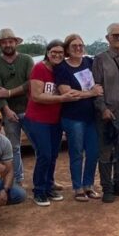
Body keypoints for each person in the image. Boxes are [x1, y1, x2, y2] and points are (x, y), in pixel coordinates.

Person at [22, 40, 80, 206]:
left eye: (61, 53)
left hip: (55, 120)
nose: (57, 55)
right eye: (53, 52)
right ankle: (39, 191)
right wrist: (62, 98)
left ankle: (48, 186)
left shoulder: (61, 69)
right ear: (47, 52)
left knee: (53, 154)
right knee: (45, 154)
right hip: (37, 120)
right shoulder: (40, 68)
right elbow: (36, 96)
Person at [55, 34, 104, 201]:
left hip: (91, 117)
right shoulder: (62, 68)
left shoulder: (89, 63)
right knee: (76, 153)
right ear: (68, 49)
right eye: (74, 45)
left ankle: (88, 185)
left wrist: (81, 94)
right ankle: (78, 188)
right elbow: (67, 94)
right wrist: (91, 93)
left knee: (93, 152)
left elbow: (97, 84)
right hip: (73, 117)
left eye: (80, 45)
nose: (78, 48)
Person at [93, 23, 119, 203]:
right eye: (115, 35)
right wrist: (103, 108)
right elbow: (95, 87)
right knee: (105, 153)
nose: (118, 38)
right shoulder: (100, 59)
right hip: (107, 115)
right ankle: (107, 188)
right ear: (107, 38)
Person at [0, 28, 34, 188]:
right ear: (0, 44)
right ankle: (17, 180)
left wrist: (9, 92)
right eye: (4, 42)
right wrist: (6, 110)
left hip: (30, 109)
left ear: (16, 43)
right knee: (13, 148)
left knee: (39, 145)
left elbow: (30, 84)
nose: (8, 44)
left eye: (10, 41)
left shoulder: (27, 60)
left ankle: (45, 178)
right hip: (9, 112)